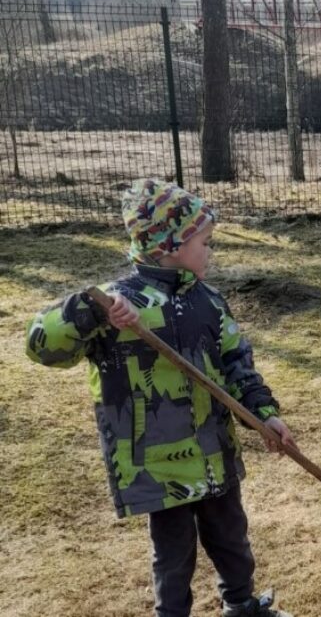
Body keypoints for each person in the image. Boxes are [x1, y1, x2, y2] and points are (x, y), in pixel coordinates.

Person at [26, 178, 297, 617]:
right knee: (173, 555)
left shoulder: (209, 302)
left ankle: (242, 605)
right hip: (157, 463)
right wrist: (91, 311)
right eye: (204, 243)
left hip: (214, 451)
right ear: (169, 245)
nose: (210, 252)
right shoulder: (116, 307)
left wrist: (264, 414)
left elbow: (236, 363)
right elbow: (42, 346)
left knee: (231, 536)